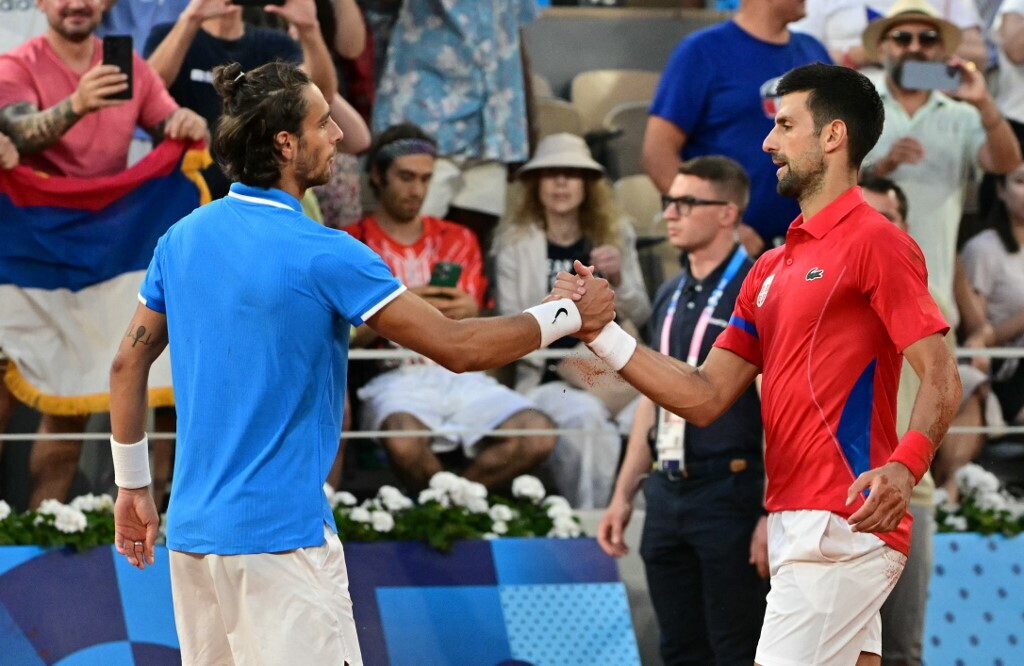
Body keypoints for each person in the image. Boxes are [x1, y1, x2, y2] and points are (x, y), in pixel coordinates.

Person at [108, 61, 613, 663]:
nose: (340, 135)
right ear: (285, 143)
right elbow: (457, 348)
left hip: (192, 539)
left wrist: (132, 486)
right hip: (284, 543)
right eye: (324, 123)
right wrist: (566, 316)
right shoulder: (327, 253)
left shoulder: (181, 238)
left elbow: (125, 366)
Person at [556, 63, 961, 665]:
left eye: (786, 125)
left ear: (833, 136)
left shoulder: (878, 241)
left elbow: (942, 374)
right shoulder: (768, 268)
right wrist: (602, 333)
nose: (768, 142)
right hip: (798, 518)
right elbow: (703, 395)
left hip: (842, 521)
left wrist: (905, 467)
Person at [0, 0, 206, 508]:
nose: (76, 4)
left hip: (107, 252)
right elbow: (16, 132)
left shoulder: (128, 65)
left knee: (67, 417)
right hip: (29, 253)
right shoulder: (16, 64)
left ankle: (41, 527)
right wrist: (77, 104)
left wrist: (182, 120)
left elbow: (168, 121)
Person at [597, 155, 767, 665]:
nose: (669, 212)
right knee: (677, 650)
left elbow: (775, 405)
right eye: (669, 201)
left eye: (686, 202)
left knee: (736, 648)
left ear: (727, 213)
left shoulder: (756, 288)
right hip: (668, 492)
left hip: (731, 490)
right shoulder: (670, 292)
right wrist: (623, 494)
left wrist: (768, 509)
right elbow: (654, 396)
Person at [347, 123, 558, 492]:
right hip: (392, 376)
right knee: (403, 440)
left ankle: (454, 503)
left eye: (426, 179)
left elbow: (481, 323)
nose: (417, 191)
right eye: (406, 177)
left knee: (538, 434)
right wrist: (400, 312)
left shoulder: (459, 238)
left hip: (463, 373)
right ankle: (454, 508)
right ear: (378, 176)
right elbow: (341, 338)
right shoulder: (352, 242)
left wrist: (473, 310)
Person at [493, 132, 651, 507]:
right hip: (550, 371)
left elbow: (641, 311)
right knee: (586, 418)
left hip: (611, 368)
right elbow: (511, 321)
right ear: (535, 185)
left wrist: (619, 280)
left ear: (588, 185)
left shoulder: (614, 235)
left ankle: (643, 520)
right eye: (551, 174)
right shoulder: (515, 242)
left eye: (572, 174)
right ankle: (591, 521)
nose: (561, 183)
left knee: (652, 417)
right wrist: (558, 308)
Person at [860, 0, 1021, 327]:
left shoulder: (962, 115)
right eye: (903, 38)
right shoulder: (856, 105)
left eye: (928, 39)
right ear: (882, 48)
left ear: (943, 51)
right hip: (858, 291)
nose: (915, 48)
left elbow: (1007, 164)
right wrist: (879, 169)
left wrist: (984, 102)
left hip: (932, 299)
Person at [642, 0, 830, 253]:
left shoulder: (813, 51)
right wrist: (723, 226)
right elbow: (657, 154)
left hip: (811, 245)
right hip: (730, 252)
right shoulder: (702, 51)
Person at [144, 0, 339, 198]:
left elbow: (320, 95)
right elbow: (145, 94)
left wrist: (309, 29)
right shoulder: (168, 35)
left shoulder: (274, 43)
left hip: (257, 193)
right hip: (181, 189)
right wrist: (191, 18)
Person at [371, 0, 538, 233]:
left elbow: (512, 35)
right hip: (425, 120)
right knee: (409, 232)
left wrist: (526, 127)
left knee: (475, 240)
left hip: (493, 129)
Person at [859, 175, 938, 666]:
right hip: (834, 496)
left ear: (905, 228)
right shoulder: (820, 296)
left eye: (885, 219)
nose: (873, 230)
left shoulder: (918, 296)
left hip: (909, 491)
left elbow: (943, 385)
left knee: (901, 648)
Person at [961, 164, 1024, 426]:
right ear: (1000, 189)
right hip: (1006, 370)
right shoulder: (983, 249)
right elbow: (978, 335)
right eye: (1020, 182)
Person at [790, 0, 988, 71]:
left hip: (933, 106)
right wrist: (859, 56)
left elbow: (978, 59)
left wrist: (923, 46)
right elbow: (797, 62)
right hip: (847, 106)